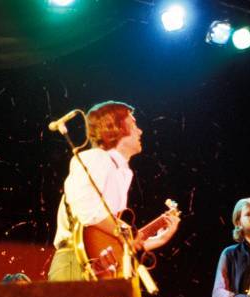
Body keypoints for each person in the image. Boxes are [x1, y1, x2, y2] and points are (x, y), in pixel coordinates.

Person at [48, 101, 179, 281]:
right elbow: (86, 209)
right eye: (133, 124)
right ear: (116, 127)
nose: (140, 131)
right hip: (76, 263)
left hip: (97, 266)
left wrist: (157, 240)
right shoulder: (95, 158)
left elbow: (107, 238)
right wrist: (123, 229)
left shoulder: (121, 171)